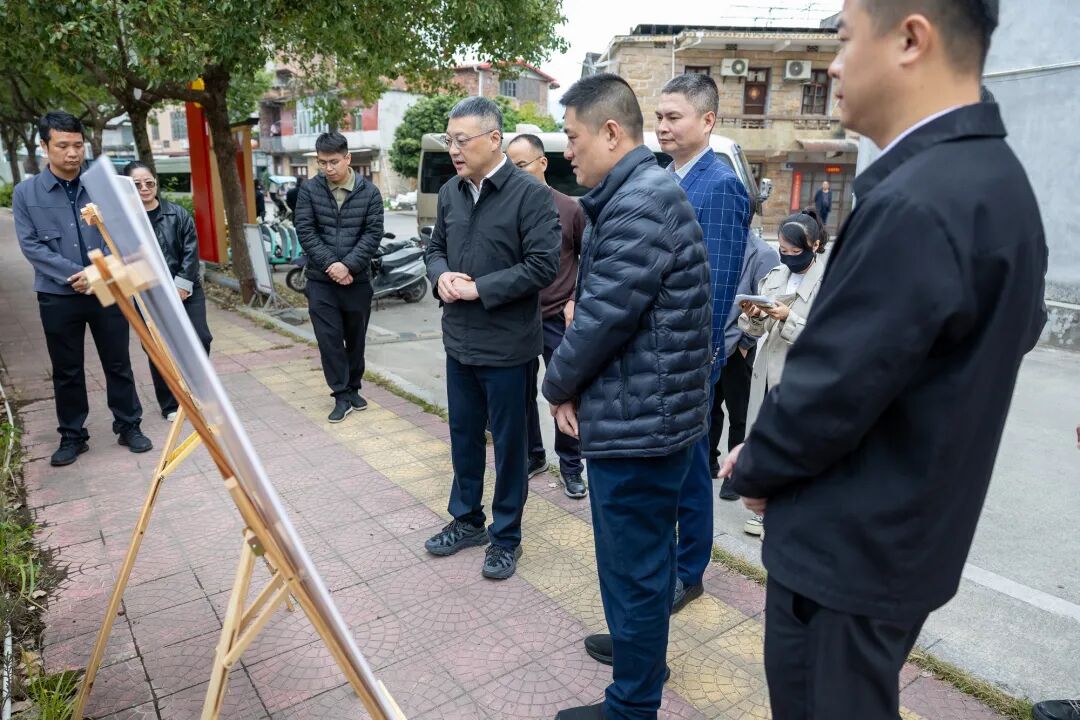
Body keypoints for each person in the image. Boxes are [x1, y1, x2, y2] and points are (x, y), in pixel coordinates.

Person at [720, 1, 1047, 717]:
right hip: (907, 536)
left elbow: (834, 385)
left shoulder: (920, 198)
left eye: (844, 40)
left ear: (910, 38)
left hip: (847, 549)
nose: (835, 67)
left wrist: (757, 466)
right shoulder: (997, 181)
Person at [542, 73, 712, 720]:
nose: (568, 152)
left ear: (611, 132)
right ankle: (641, 654)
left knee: (633, 567)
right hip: (647, 411)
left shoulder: (640, 201)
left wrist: (557, 385)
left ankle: (632, 706)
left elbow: (602, 317)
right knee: (643, 562)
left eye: (573, 137)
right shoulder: (643, 192)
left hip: (639, 424)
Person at [422, 97, 560, 581]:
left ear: (494, 138)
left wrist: (480, 288)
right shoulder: (450, 192)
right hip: (459, 341)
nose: (454, 150)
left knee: (509, 446)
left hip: (507, 347)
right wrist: (440, 275)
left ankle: (506, 537)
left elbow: (543, 265)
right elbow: (435, 248)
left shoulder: (530, 195)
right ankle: (466, 520)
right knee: (463, 437)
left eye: (462, 140)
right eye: (450, 140)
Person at [14, 112, 152, 466]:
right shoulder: (26, 193)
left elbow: (120, 233)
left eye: (78, 145)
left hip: (109, 286)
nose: (72, 153)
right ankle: (73, 435)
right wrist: (80, 274)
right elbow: (32, 247)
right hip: (58, 295)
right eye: (63, 145)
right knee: (67, 369)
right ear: (44, 146)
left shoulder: (105, 188)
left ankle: (129, 425)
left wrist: (98, 272)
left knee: (118, 361)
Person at [736, 210, 828, 538]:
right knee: (764, 441)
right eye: (783, 250)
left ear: (814, 245)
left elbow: (828, 336)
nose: (788, 257)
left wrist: (789, 317)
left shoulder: (830, 282)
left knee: (795, 446)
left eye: (795, 251)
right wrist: (753, 314)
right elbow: (756, 329)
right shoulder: (775, 275)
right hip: (766, 372)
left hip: (803, 376)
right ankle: (764, 511)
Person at [508, 133, 588, 500]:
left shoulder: (569, 208)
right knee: (520, 393)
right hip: (517, 318)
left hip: (558, 317)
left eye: (521, 165)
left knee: (565, 392)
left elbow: (588, 260)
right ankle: (534, 456)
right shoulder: (506, 208)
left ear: (542, 163)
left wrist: (574, 298)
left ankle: (571, 467)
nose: (514, 173)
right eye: (509, 166)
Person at [294, 131, 384, 423]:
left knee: (356, 338)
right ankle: (341, 394)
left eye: (333, 162)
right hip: (321, 280)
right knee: (329, 340)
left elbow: (373, 234)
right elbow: (306, 230)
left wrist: (348, 266)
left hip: (356, 280)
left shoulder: (369, 193)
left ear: (348, 158)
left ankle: (354, 386)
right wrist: (332, 264)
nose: (328, 168)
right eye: (322, 163)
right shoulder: (310, 190)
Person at [123, 161, 213, 420]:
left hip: (186, 289)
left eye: (149, 182)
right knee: (158, 348)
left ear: (156, 182)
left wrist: (182, 285)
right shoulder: (125, 221)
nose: (144, 188)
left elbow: (190, 251)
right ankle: (170, 403)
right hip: (149, 294)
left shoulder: (177, 214)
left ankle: (198, 392)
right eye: (137, 184)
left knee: (201, 338)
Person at [713, 230, 780, 489]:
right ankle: (710, 462)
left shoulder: (762, 253)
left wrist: (745, 344)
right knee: (711, 408)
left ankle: (734, 474)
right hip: (712, 342)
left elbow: (767, 304)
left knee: (739, 414)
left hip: (738, 345)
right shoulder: (718, 241)